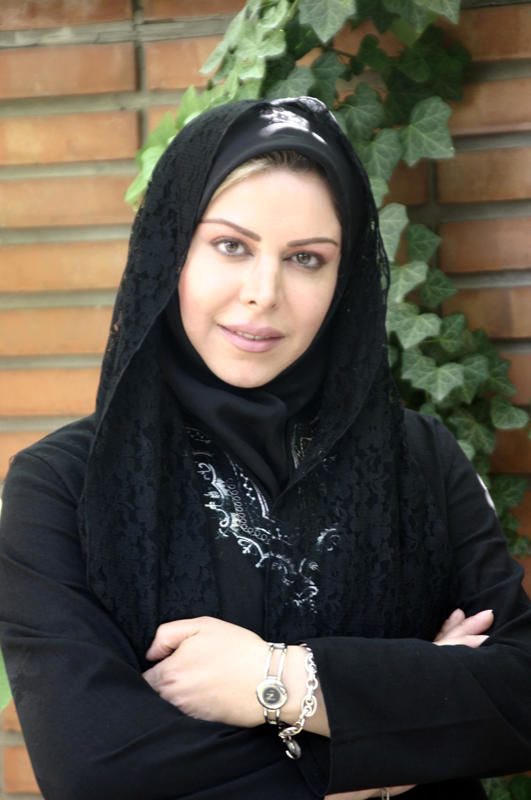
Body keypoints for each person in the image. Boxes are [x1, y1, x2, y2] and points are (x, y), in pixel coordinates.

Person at [0, 96, 530, 800]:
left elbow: (521, 696)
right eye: (231, 246)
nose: (263, 293)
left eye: (306, 258)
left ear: (343, 279)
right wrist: (392, 755)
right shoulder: (63, 483)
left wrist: (276, 681)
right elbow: (95, 766)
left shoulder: (418, 457)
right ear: (171, 252)